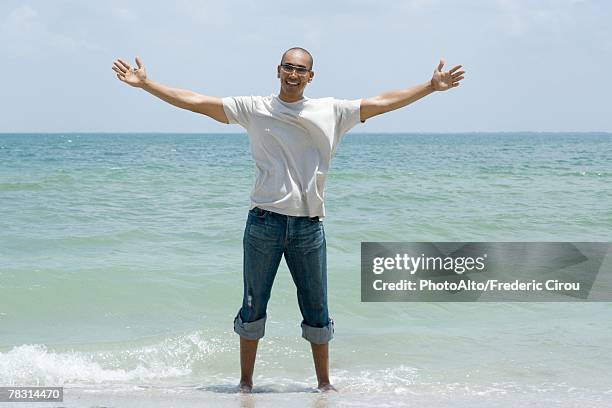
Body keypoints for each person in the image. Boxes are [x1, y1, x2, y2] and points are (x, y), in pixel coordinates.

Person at [112, 47, 465, 393]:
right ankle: (246, 384)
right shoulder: (255, 108)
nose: (293, 74)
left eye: (301, 70)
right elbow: (196, 101)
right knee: (252, 306)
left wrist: (429, 87)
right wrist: (147, 84)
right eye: (288, 68)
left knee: (317, 307)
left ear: (310, 76)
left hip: (308, 227)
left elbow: (383, 101)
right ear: (278, 70)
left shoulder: (332, 111)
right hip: (263, 223)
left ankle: (324, 385)